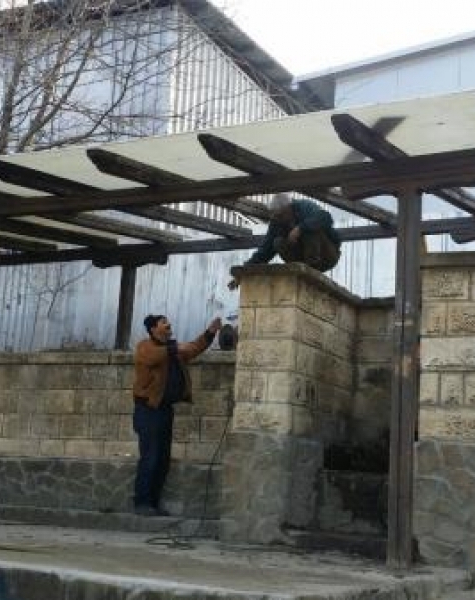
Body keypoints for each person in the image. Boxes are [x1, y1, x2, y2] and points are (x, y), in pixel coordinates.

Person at [132, 314, 222, 516]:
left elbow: (193, 348)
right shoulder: (145, 347)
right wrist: (175, 348)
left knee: (162, 459)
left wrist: (210, 333)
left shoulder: (173, 350)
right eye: (163, 322)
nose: (169, 325)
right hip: (148, 411)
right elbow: (153, 356)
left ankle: (153, 504)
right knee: (150, 457)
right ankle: (142, 503)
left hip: (165, 410)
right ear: (153, 329)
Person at [228, 193, 341, 290]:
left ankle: (311, 269)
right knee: (278, 242)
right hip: (302, 257)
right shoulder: (276, 223)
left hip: (327, 256)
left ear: (289, 208)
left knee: (310, 229)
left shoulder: (305, 206)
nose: (278, 218)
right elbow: (264, 252)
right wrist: (243, 274)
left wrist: (300, 228)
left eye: (280, 215)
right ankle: (299, 269)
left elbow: (326, 218)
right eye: (275, 216)